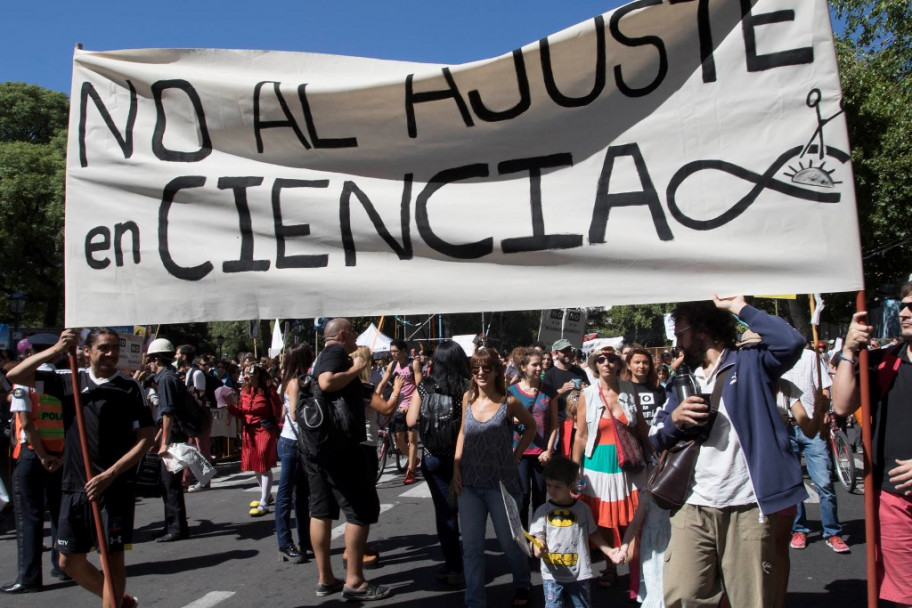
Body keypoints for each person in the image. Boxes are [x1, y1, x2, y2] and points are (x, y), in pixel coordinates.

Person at [650, 296, 806, 608]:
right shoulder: (683, 378)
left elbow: (791, 342)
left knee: (753, 599)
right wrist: (676, 421)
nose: (676, 342)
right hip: (693, 505)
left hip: (748, 505)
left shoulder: (751, 362)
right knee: (682, 595)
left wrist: (738, 307)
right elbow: (656, 438)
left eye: (680, 332)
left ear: (702, 329)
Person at [11, 328, 155, 608]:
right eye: (103, 348)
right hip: (74, 485)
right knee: (68, 561)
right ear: (86, 351)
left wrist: (110, 474)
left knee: (111, 559)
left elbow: (146, 439)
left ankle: (111, 603)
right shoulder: (68, 380)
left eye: (114, 348)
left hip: (113, 487)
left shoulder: (128, 387)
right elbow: (15, 376)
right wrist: (56, 350)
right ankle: (118, 601)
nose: (110, 354)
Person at [832, 281, 912, 606]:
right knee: (903, 594)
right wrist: (850, 350)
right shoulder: (883, 362)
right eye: (905, 304)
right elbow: (840, 405)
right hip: (896, 503)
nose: (904, 312)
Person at [306, 318, 390, 601]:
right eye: (353, 332)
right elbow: (327, 382)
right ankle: (354, 581)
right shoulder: (336, 353)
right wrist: (355, 369)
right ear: (342, 335)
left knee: (321, 511)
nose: (356, 336)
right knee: (360, 510)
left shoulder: (319, 356)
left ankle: (326, 578)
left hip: (319, 447)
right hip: (341, 446)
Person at [453, 348, 537, 608]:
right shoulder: (467, 398)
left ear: (497, 372)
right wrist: (456, 467)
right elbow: (463, 434)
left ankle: (522, 583)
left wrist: (517, 455)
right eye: (476, 368)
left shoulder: (508, 402)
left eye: (486, 368)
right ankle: (475, 600)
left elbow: (531, 427)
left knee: (511, 543)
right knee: (471, 547)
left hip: (501, 485)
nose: (480, 373)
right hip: (469, 484)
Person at [2, 332, 69, 594]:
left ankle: (28, 576)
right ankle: (63, 566)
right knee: (58, 514)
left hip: (32, 455)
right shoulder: (64, 380)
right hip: (60, 455)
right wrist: (60, 455)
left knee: (29, 518)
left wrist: (41, 454)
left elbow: (27, 423)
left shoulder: (26, 381)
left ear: (31, 353)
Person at [572, 346, 643, 590]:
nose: (607, 363)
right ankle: (610, 566)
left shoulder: (630, 391)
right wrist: (574, 470)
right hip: (597, 462)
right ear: (595, 365)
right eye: (601, 359)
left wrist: (655, 455)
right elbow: (580, 435)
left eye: (612, 359)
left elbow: (641, 428)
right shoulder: (588, 394)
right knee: (604, 518)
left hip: (626, 462)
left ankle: (635, 569)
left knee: (632, 516)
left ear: (618, 364)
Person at [406, 339, 471, 586]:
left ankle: (453, 567)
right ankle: (473, 564)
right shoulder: (467, 387)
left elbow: (411, 420)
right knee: (471, 513)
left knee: (446, 514)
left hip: (434, 457)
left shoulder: (424, 387)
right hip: (463, 457)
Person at [781, 346, 849, 553]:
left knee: (824, 482)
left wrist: (824, 409)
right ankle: (799, 529)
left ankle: (832, 531)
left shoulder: (810, 357)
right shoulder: (774, 357)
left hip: (811, 422)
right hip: (785, 427)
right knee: (794, 485)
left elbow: (825, 387)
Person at [530, 456, 614, 608]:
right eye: (548, 485)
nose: (551, 490)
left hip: (579, 574)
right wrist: (538, 546)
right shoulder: (543, 511)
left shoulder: (583, 509)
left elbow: (593, 533)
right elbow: (538, 535)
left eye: (557, 486)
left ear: (570, 486)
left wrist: (609, 551)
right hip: (552, 575)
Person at [507, 347, 558, 530]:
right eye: (534, 365)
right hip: (518, 451)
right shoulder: (511, 392)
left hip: (541, 453)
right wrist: (517, 419)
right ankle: (522, 537)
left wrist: (549, 450)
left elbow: (553, 425)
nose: (539, 368)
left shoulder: (549, 392)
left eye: (541, 364)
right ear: (523, 367)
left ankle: (539, 537)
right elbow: (504, 419)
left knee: (539, 497)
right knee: (521, 497)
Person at [146, 338, 191, 543]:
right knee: (167, 484)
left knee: (170, 484)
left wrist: (163, 441)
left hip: (172, 439)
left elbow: (167, 414)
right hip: (172, 437)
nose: (148, 364)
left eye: (149, 360)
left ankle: (176, 527)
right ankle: (171, 524)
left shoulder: (165, 380)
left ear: (156, 359)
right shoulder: (169, 377)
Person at [274, 343, 314, 563]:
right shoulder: (295, 382)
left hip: (291, 440)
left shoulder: (288, 381)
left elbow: (282, 414)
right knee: (286, 493)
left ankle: (305, 541)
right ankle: (285, 542)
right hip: (293, 442)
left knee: (301, 495)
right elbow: (295, 414)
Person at [228, 364, 281, 517]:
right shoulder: (244, 390)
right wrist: (229, 406)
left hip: (264, 430)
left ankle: (264, 503)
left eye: (250, 374)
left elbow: (277, 412)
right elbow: (241, 412)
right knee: (256, 466)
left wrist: (276, 429)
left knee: (263, 465)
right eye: (245, 373)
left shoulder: (268, 390)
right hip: (249, 432)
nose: (247, 376)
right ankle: (266, 495)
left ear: (258, 375)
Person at [376, 339, 422, 484]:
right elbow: (383, 383)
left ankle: (411, 471)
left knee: (411, 437)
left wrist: (412, 405)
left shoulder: (413, 364)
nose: (393, 354)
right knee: (398, 439)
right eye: (391, 351)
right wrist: (376, 397)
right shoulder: (392, 365)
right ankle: (413, 458)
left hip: (412, 404)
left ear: (403, 351)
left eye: (395, 351)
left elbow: (420, 386)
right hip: (398, 404)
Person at [543, 339, 589, 426]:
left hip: (578, 420)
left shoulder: (579, 372)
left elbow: (589, 391)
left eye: (569, 350)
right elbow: (545, 400)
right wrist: (562, 390)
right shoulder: (550, 374)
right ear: (556, 353)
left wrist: (585, 388)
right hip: (558, 421)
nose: (568, 353)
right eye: (564, 351)